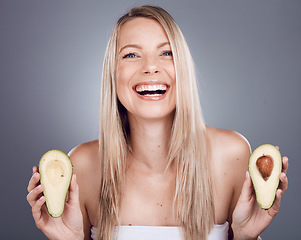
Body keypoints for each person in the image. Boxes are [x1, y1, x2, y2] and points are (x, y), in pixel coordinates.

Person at [26, 5, 288, 240]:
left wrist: (245, 237)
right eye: (131, 55)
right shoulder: (83, 165)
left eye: (166, 53)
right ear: (112, 74)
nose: (151, 67)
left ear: (182, 68)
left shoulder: (231, 154)